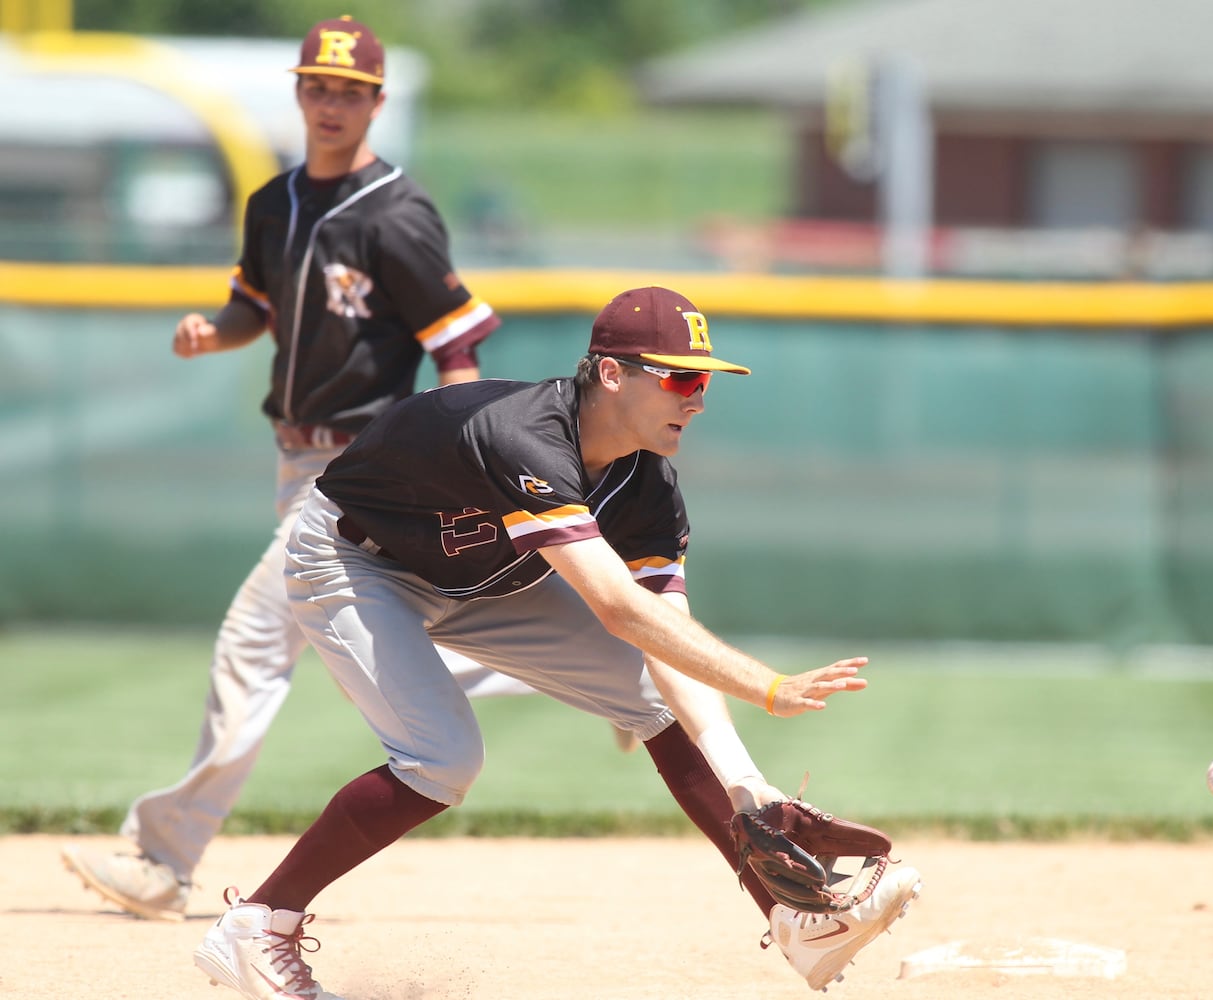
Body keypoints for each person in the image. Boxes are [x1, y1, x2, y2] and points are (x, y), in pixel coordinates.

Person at [190, 285, 923, 1000]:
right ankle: (258, 923)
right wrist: (768, 687)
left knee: (655, 701)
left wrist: (746, 784)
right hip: (357, 558)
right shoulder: (525, 434)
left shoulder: (648, 487)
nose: (698, 398)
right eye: (683, 378)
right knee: (443, 758)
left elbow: (667, 642)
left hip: (479, 578)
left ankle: (796, 921)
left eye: (707, 381)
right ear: (612, 374)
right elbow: (618, 610)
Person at [58, 14, 564, 923]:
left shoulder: (399, 212)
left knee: (254, 645)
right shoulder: (273, 201)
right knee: (375, 638)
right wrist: (218, 330)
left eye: (350, 91)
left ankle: (164, 859)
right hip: (296, 458)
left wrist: (463, 447)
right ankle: (576, 672)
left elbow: (455, 341)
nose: (331, 103)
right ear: (299, 92)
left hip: (363, 470)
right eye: (317, 86)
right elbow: (251, 304)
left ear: (375, 103)